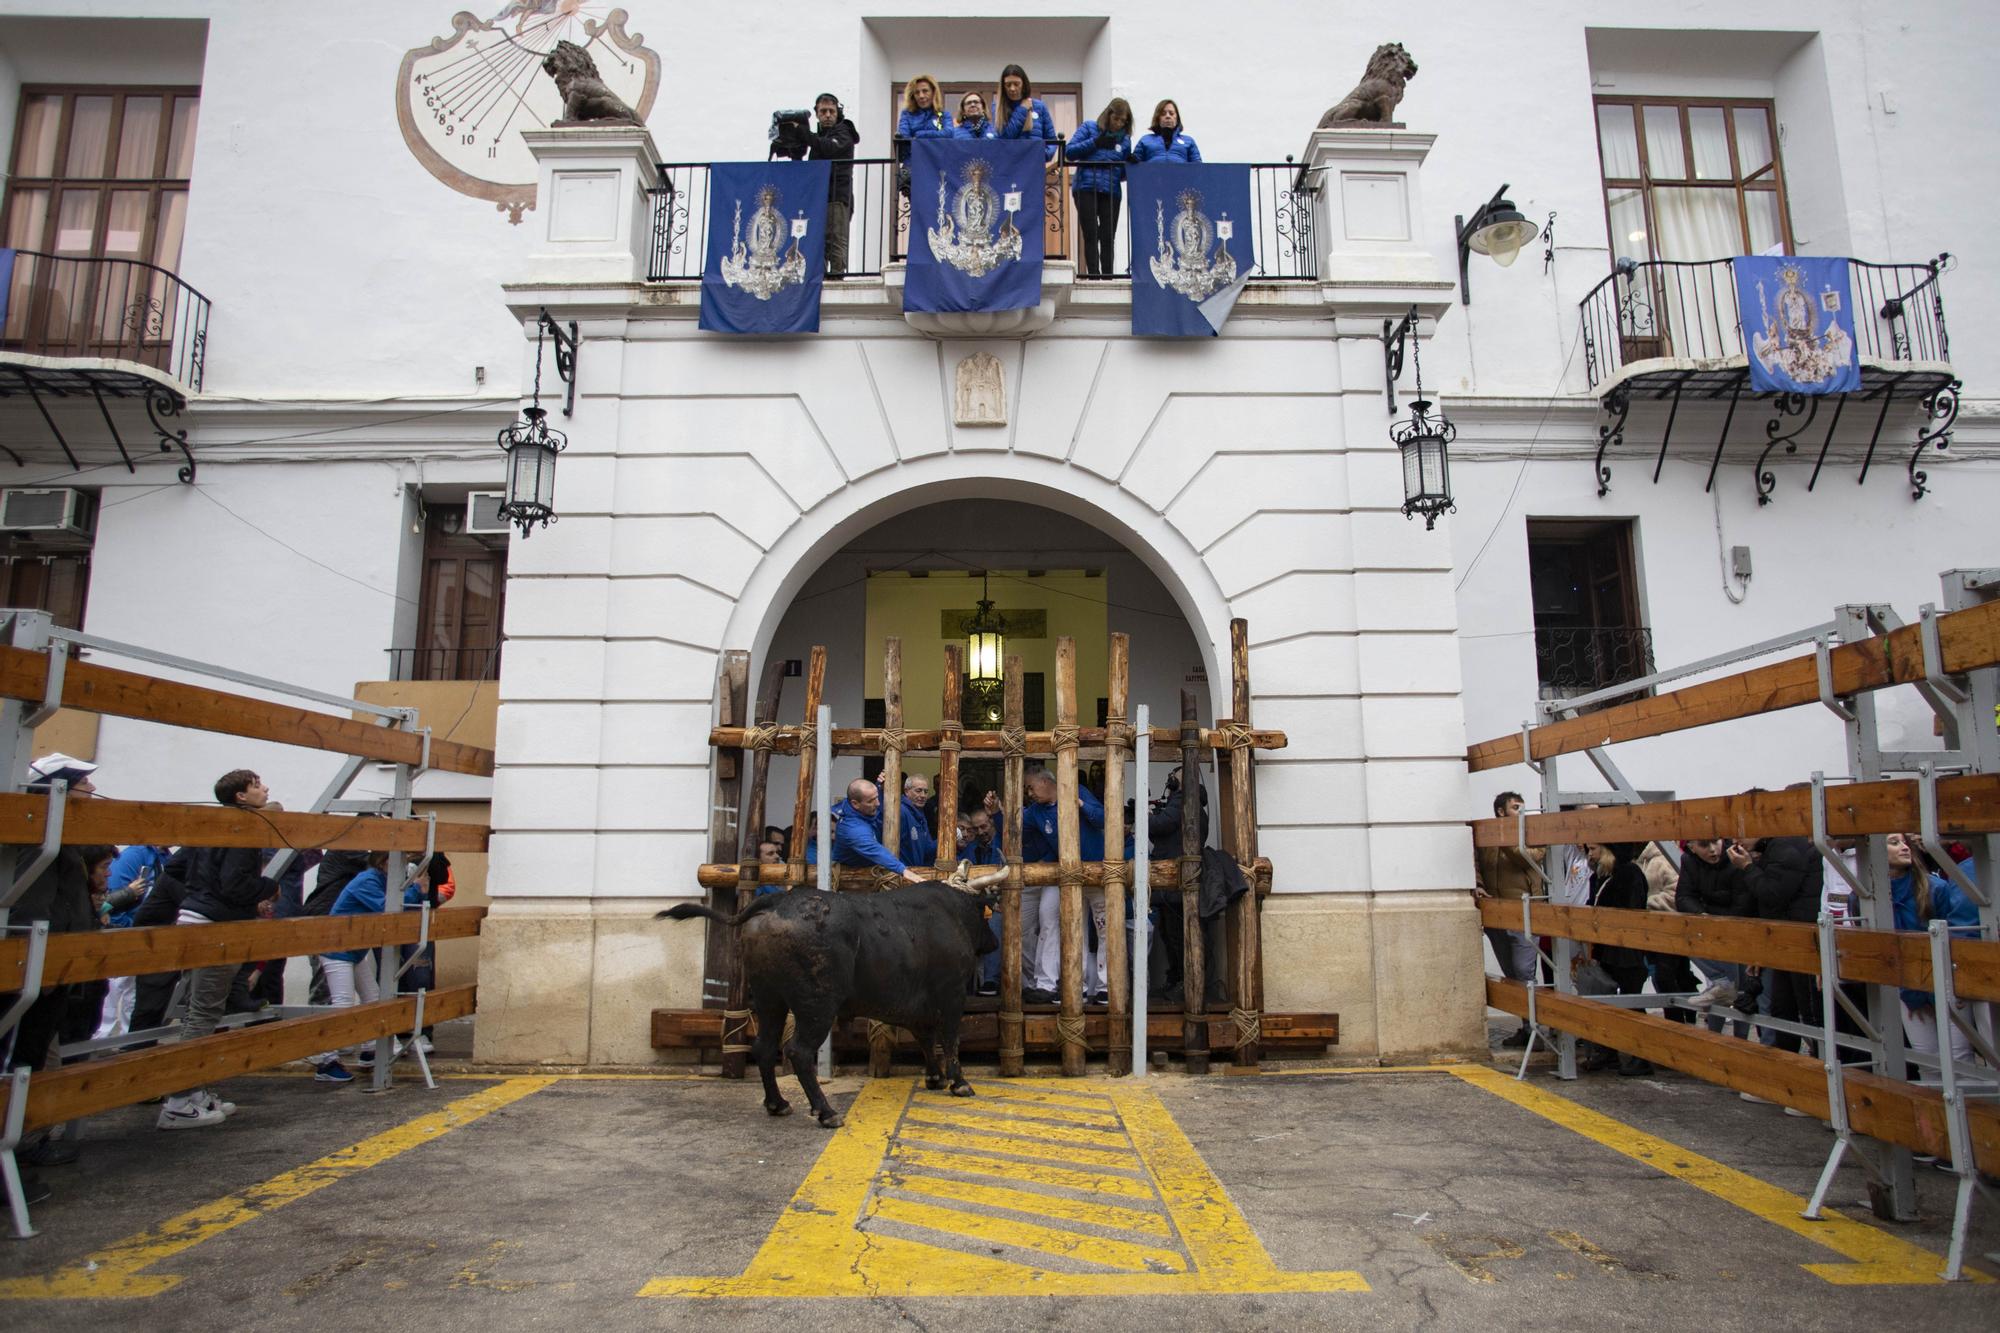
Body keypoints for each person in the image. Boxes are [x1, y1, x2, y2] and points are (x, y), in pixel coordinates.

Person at [157, 768, 283, 1129]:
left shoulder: (209, 824)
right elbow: (235, 885)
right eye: (257, 785)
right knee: (203, 1013)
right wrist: (266, 887)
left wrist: (201, 894)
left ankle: (193, 1091)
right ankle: (179, 1101)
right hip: (216, 927)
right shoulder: (242, 829)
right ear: (241, 796)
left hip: (198, 920)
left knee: (202, 1009)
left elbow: (175, 865)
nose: (264, 789)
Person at [4, 756, 101, 1182]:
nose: (92, 792)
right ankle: (19, 1145)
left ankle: (28, 1140)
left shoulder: (64, 837)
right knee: (24, 1057)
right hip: (34, 968)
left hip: (55, 965)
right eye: (82, 785)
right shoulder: (35, 837)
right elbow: (29, 905)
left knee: (42, 1055)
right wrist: (33, 962)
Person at [309, 851, 417, 1083]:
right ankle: (327, 1060)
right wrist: (417, 889)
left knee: (372, 998)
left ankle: (370, 1049)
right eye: (400, 862)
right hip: (336, 950)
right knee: (343, 1004)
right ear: (383, 863)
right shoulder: (367, 881)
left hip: (353, 951)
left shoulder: (377, 880)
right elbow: (387, 909)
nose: (404, 867)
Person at [1887, 831, 1981, 1081]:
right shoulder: (1866, 895)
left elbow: (1954, 936)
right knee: (1926, 1058)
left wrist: (1945, 987)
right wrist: (1913, 993)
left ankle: (1969, 1116)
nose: (1904, 847)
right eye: (1894, 843)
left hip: (1945, 981)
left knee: (1958, 1057)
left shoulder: (1935, 888)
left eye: (1906, 842)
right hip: (1906, 985)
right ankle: (1935, 1117)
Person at [1729, 824, 1823, 1061]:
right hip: (1786, 942)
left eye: (1742, 829)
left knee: (1806, 1013)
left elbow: (1772, 894)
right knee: (1784, 1011)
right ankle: (1790, 1073)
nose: (1735, 838)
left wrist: (1748, 867)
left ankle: (1816, 1072)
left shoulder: (1786, 847)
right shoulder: (1777, 848)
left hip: (1799, 943)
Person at [1020, 766, 1106, 1004]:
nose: (1029, 793)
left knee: (1105, 928)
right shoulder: (1035, 811)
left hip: (1095, 872)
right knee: (1049, 920)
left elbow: (1102, 818)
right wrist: (998, 813)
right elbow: (1019, 835)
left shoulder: (1077, 790)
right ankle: (1048, 984)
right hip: (1062, 875)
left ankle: (1105, 986)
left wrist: (1080, 805)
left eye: (1030, 787)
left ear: (1046, 782)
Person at [1580, 842, 1653, 1076]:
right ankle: (1608, 1052)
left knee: (1632, 1003)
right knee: (1606, 1002)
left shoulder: (1628, 873)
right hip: (1607, 948)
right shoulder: (1600, 876)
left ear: (1608, 850)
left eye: (1593, 849)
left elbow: (1630, 911)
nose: (1590, 854)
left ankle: (1642, 1057)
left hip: (1627, 950)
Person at [1473, 791, 1539, 1047]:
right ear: (1501, 811)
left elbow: (1531, 859)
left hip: (1523, 916)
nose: (1520, 811)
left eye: (1522, 807)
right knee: (1511, 974)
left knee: (1524, 972)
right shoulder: (1487, 838)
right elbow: (1476, 863)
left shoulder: (1531, 834)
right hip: (1497, 916)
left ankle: (1535, 1028)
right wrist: (1477, 885)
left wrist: (1509, 838)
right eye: (1515, 807)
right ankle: (1526, 1026)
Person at [1678, 837, 1752, 1035]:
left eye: (1715, 843)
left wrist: (1711, 920)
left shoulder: (1735, 858)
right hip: (1713, 926)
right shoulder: (1689, 861)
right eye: (1704, 845)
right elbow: (1684, 896)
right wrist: (1703, 917)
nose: (1712, 850)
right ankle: (1716, 1037)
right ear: (1692, 847)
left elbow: (1742, 902)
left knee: (1737, 989)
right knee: (1728, 990)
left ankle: (1737, 1041)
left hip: (1737, 928)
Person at [1065, 97, 1132, 277]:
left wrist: (1131, 165)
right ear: (1108, 115)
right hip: (1086, 186)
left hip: (1111, 190)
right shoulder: (1089, 127)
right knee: (1091, 233)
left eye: (1122, 121)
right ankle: (1094, 274)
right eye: (1116, 119)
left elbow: (1122, 173)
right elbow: (1069, 152)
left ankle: (1108, 275)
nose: (1118, 124)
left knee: (1108, 235)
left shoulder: (1125, 140)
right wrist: (1096, 142)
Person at [801, 92, 858, 279]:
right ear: (816, 113)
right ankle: (821, 275)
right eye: (823, 111)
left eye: (831, 111)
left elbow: (831, 147)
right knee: (819, 240)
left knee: (836, 239)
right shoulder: (819, 137)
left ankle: (836, 277)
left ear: (837, 112)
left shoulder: (844, 131)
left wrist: (806, 136)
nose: (827, 115)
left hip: (837, 195)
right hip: (819, 196)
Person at [827, 779, 924, 881]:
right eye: (871, 801)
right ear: (855, 804)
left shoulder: (863, 807)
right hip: (851, 879)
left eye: (877, 797)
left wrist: (880, 784)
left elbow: (874, 796)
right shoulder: (852, 829)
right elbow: (877, 852)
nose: (877, 803)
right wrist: (905, 871)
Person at [965, 808, 1007, 995]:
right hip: (978, 900)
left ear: (992, 824)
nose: (981, 832)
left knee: (995, 923)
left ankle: (991, 981)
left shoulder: (1003, 843)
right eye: (977, 828)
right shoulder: (972, 847)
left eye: (984, 826)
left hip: (1001, 900)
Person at [895, 74, 953, 193]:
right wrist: (934, 136)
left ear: (933, 93)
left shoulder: (942, 115)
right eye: (917, 92)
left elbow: (948, 133)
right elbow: (904, 137)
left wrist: (920, 134)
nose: (921, 96)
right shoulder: (907, 114)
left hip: (937, 165)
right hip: (914, 166)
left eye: (925, 91)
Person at [995, 65, 1060, 160]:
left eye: (1016, 84)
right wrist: (1022, 109)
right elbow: (1006, 138)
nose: (1012, 89)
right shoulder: (998, 108)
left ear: (1024, 84)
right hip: (1010, 165)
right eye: (1008, 85)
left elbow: (1051, 140)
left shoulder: (1039, 106)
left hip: (1034, 164)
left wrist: (1044, 155)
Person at [1131, 99, 1201, 163]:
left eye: (1171, 113)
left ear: (1177, 118)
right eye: (1163, 114)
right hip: (1153, 176)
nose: (1168, 116)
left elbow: (1198, 168)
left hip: (1180, 177)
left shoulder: (1189, 141)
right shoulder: (1145, 140)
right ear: (1158, 118)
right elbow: (1135, 166)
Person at [900, 772, 938, 871]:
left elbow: (928, 849)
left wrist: (949, 838)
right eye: (918, 791)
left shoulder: (920, 814)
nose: (923, 795)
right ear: (906, 791)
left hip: (916, 873)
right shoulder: (900, 811)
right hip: (901, 873)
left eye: (926, 792)